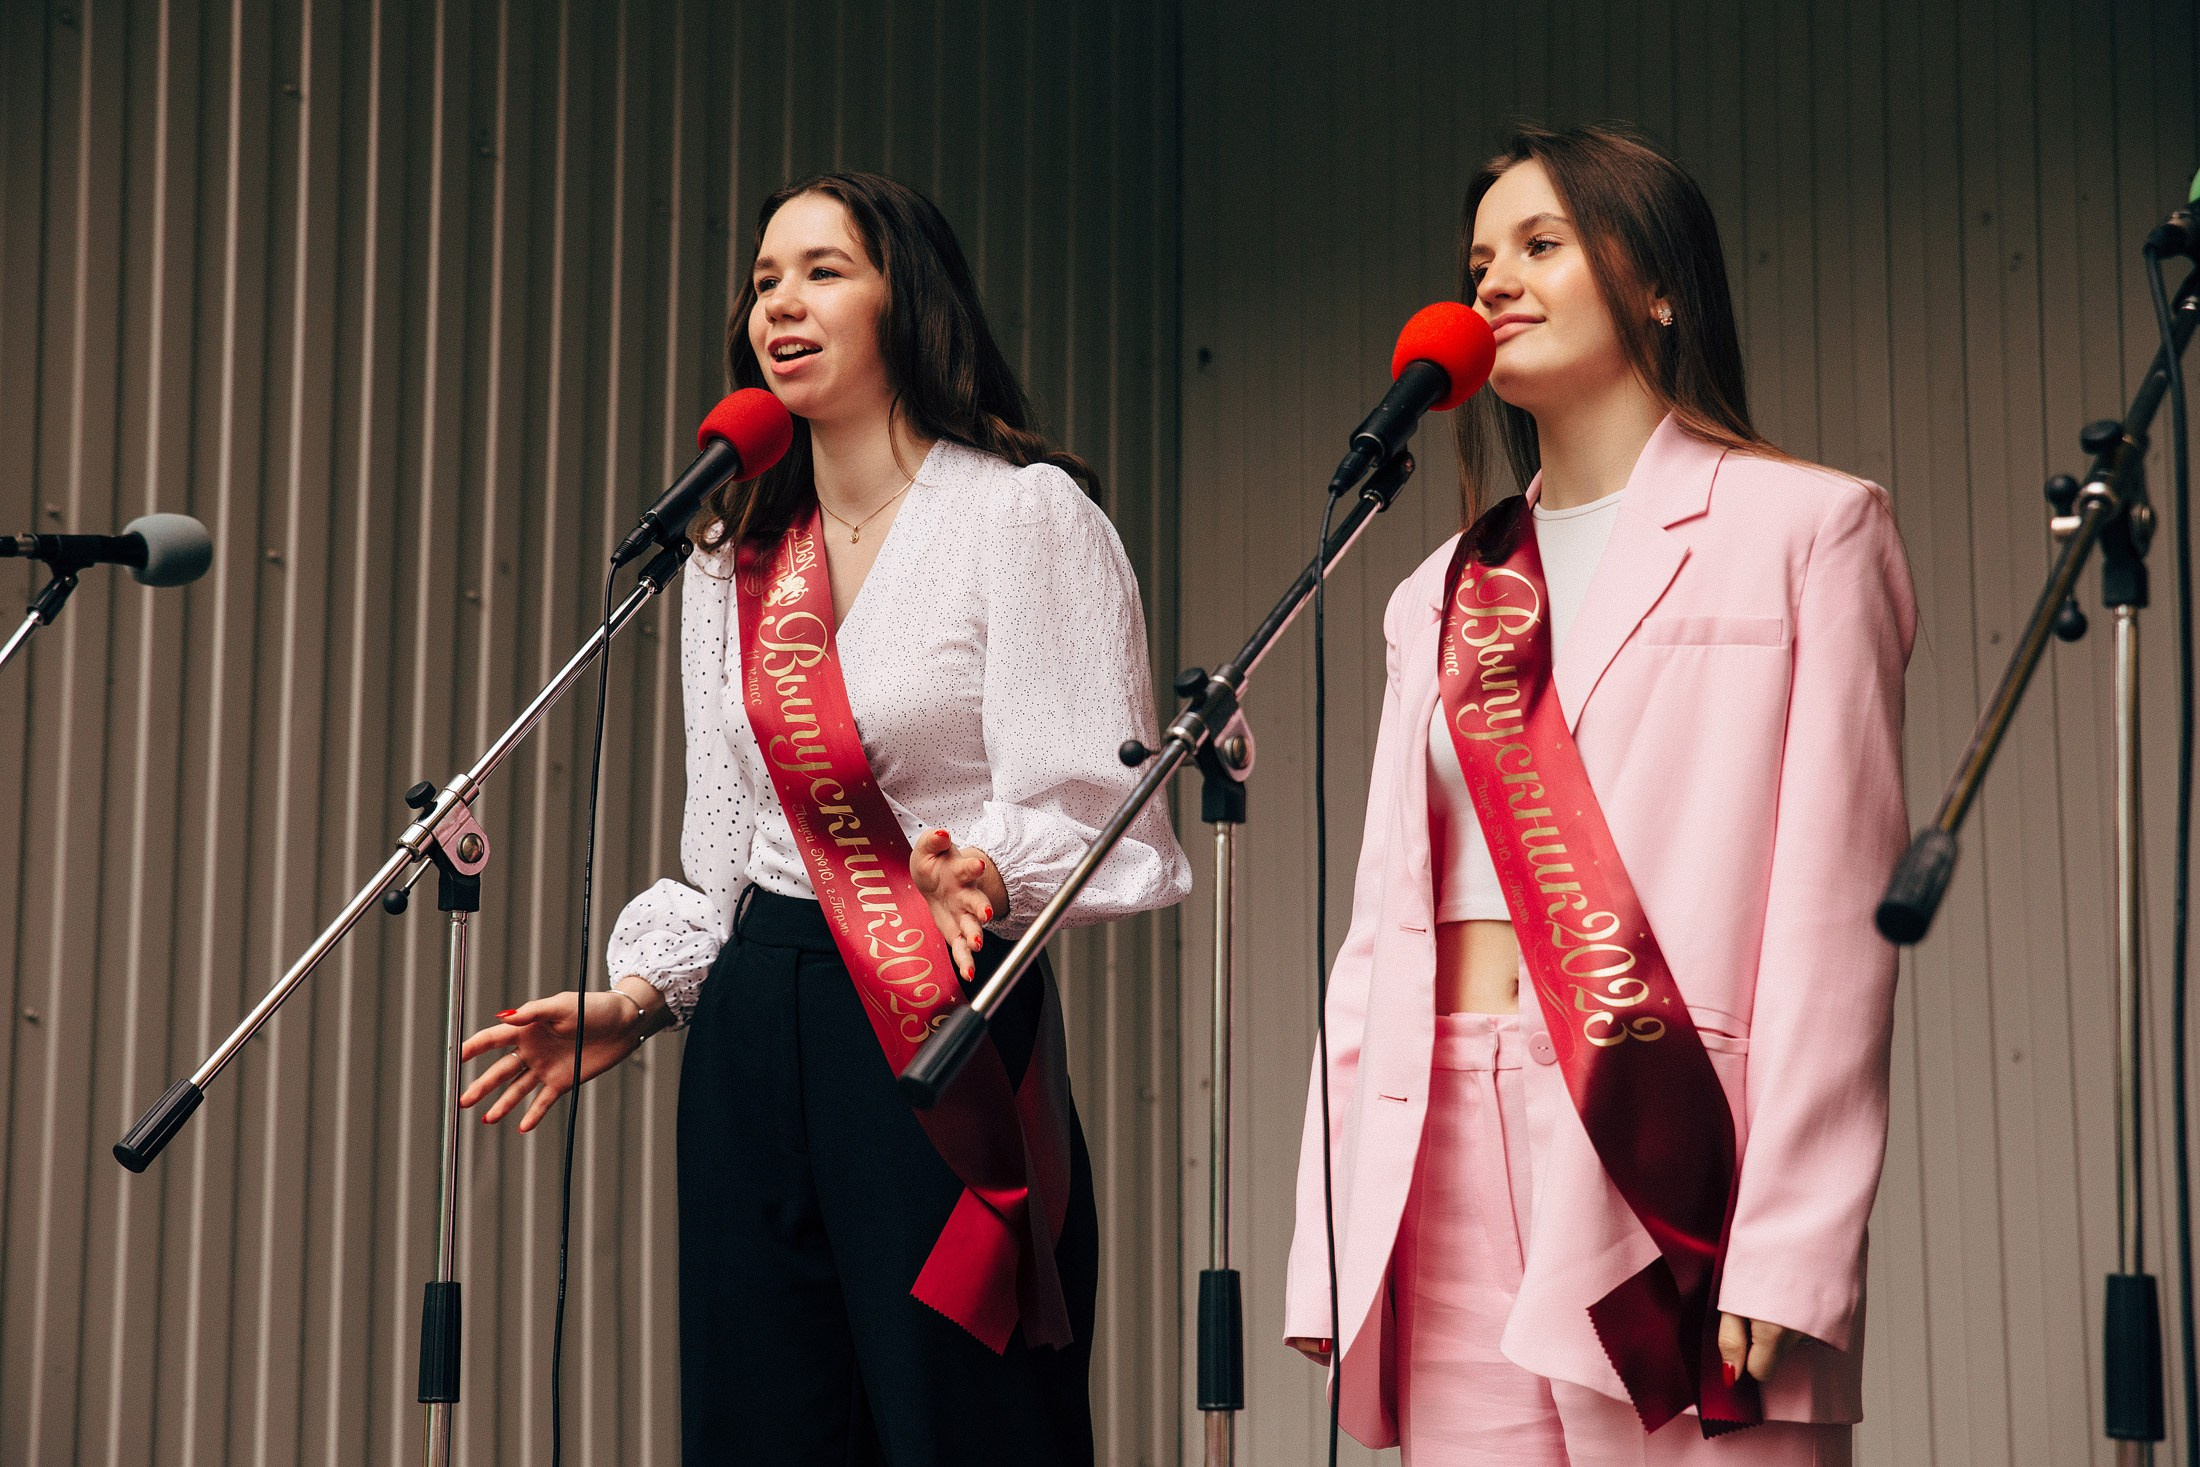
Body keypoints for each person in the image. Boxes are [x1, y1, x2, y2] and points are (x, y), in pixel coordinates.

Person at [459, 170, 1190, 1466]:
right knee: (761, 1423)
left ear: (909, 297)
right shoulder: (731, 548)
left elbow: (1098, 799)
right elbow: (722, 846)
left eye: (823, 271)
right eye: (763, 281)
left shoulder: (1018, 516)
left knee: (962, 1419)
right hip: (756, 1022)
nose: (780, 305)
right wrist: (638, 1000)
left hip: (939, 1016)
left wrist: (991, 873)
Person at [1284, 123, 1915, 1465]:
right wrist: (1333, 1227)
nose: (1493, 283)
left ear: (1661, 282)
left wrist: (1790, 1244)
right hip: (1442, 1139)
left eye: (1542, 243)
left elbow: (1834, 921)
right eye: (1478, 260)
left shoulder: (1809, 532)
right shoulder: (1435, 592)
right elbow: (1379, 930)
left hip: (1667, 1149)